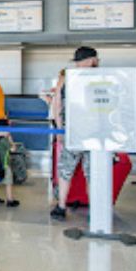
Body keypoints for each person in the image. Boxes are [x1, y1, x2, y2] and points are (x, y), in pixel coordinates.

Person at [51, 46, 100, 221]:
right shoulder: (100, 77)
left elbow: (57, 105)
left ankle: (61, 206)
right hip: (95, 134)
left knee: (65, 171)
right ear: (92, 60)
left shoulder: (66, 78)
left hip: (72, 131)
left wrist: (59, 129)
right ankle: (95, 209)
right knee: (92, 173)